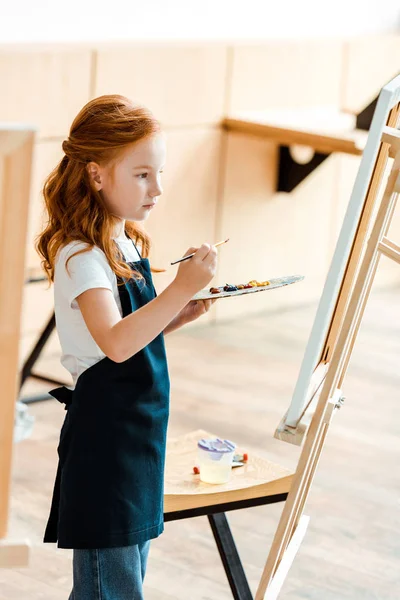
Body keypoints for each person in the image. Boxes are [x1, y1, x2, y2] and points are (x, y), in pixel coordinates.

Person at [36, 94, 218, 600]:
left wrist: (177, 314)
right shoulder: (81, 255)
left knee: (126, 575)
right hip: (106, 441)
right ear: (96, 176)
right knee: (110, 588)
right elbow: (115, 345)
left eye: (158, 173)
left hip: (140, 434)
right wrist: (179, 288)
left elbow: (129, 335)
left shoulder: (126, 242)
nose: (157, 189)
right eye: (142, 175)